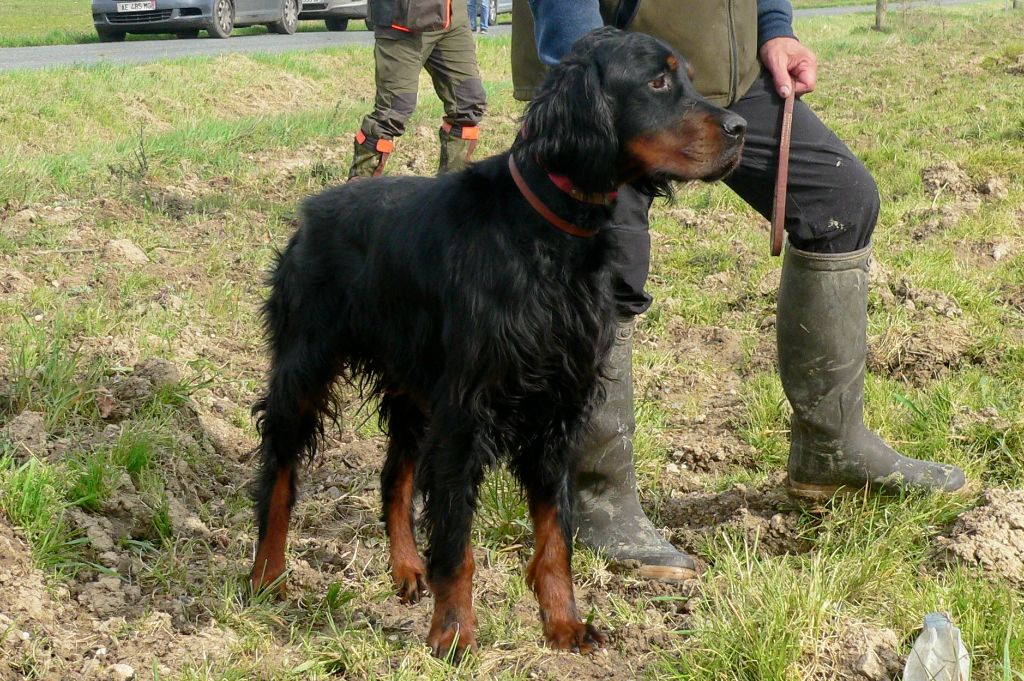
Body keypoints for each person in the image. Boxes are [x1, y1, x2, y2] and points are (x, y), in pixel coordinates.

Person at [511, 0, 967, 582]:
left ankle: (831, 451)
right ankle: (599, 502)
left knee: (839, 202)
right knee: (610, 265)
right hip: (612, 96)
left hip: (725, 82)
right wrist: (586, 81)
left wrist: (775, 31)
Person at [347, 0, 487, 179]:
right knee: (392, 113)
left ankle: (452, 195)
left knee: (468, 103)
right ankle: (356, 199)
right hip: (403, 19)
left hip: (452, 14)